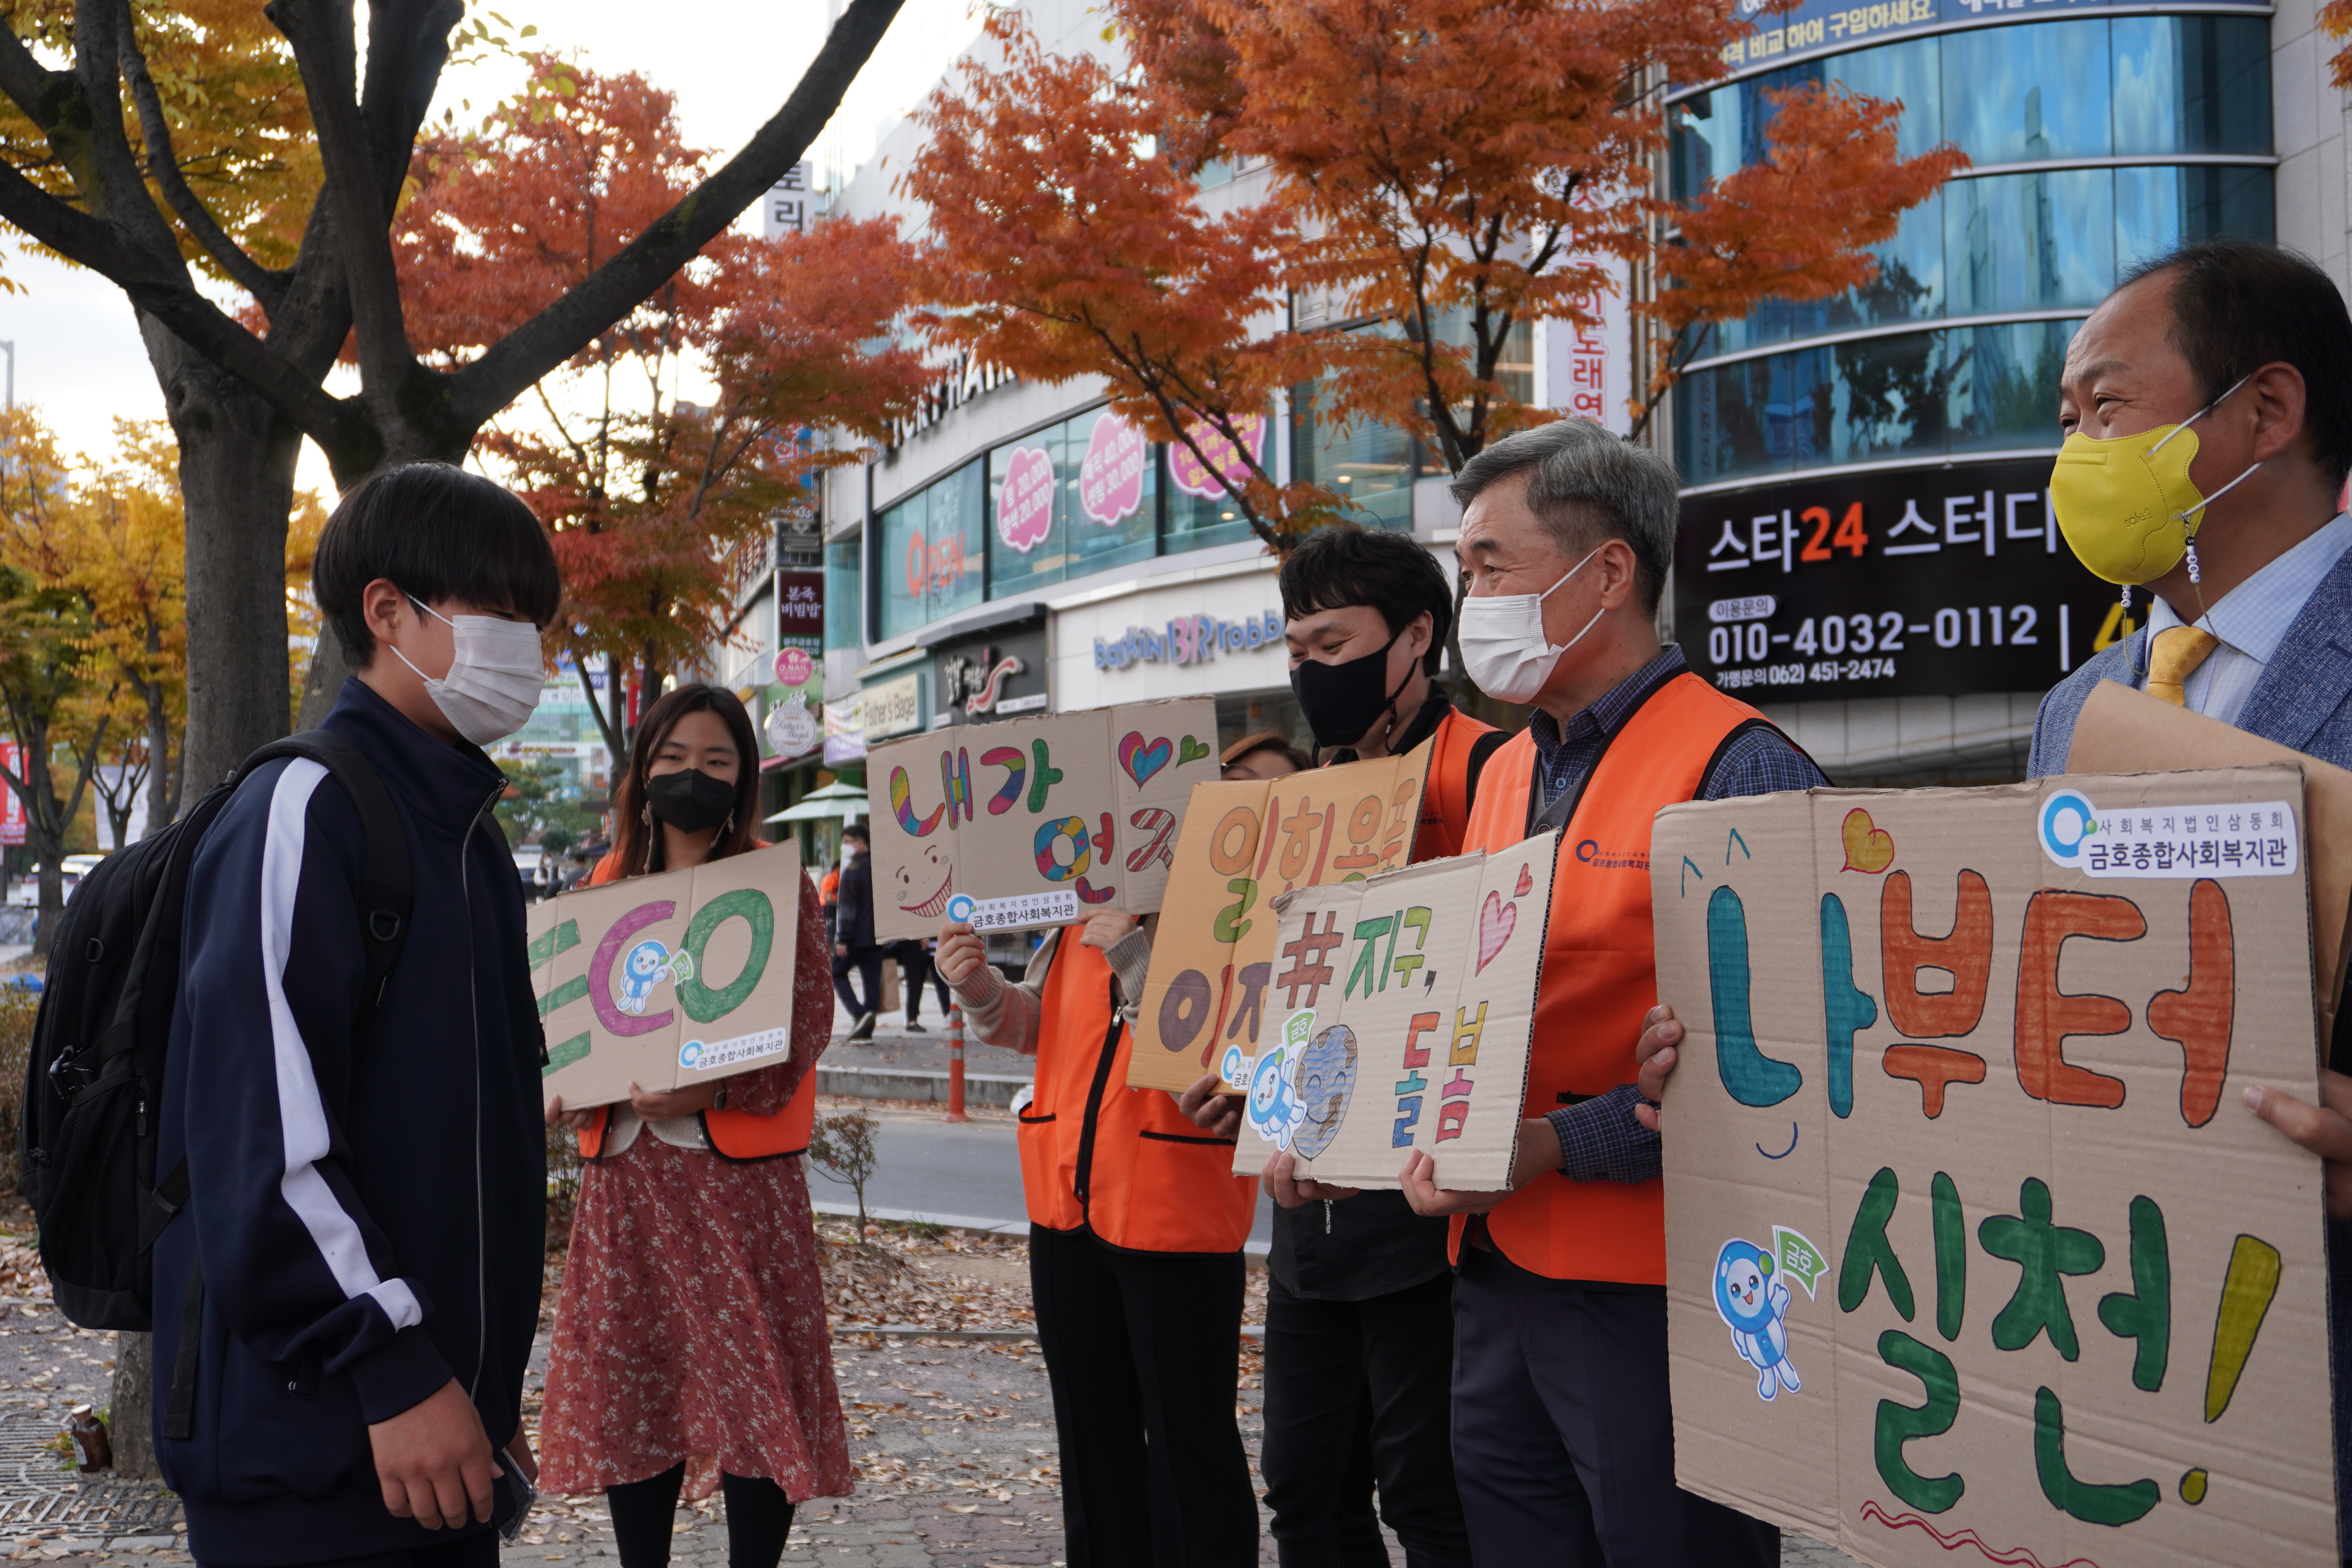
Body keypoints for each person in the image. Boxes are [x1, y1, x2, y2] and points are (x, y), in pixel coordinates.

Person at [1397, 419, 1824, 1565]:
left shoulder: (1740, 766)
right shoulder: (1507, 771)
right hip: (1494, 1275)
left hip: (1665, 1292)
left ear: (1608, 570)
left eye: (1489, 563)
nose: (1468, 591)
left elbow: (1784, 1076)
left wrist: (1554, 1143)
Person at [152, 463, 562, 1564]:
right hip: (316, 1438)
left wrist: (480, 1383)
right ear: (387, 611)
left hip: (438, 1434)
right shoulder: (308, 808)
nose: (525, 646)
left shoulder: (468, 836)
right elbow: (265, 1145)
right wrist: (392, 1365)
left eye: (537, 620)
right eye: (500, 611)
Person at [1184, 532, 1495, 1568]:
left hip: (1428, 1216)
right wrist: (1243, 1080)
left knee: (1430, 1494)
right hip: (1308, 1217)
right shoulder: (1310, 801)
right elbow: (1286, 995)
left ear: (1417, 637)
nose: (1311, 670)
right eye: (1296, 650)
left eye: (1333, 643)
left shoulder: (1494, 773)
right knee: (1306, 1493)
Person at [538, 682, 848, 1568]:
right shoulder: (594, 891)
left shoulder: (779, 886)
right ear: (640, 772)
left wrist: (711, 1094)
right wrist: (557, 1084)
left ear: (745, 775)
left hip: (740, 1185)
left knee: (755, 1386)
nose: (692, 776)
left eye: (716, 760)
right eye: (673, 759)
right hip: (627, 1181)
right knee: (635, 1385)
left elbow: (806, 1024)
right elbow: (558, 1037)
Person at [933, 893, 1261, 1566]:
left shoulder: (1233, 906)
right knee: (1092, 1455)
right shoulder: (1081, 906)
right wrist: (977, 986)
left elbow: (1228, 1077)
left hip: (1177, 1215)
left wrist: (1138, 968)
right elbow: (1037, 1023)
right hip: (1064, 1211)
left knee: (1191, 1459)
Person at [831, 824, 881, 1040]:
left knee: (837, 972)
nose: (844, 846)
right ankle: (867, 1029)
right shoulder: (880, 868)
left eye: (847, 842)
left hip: (856, 938)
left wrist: (843, 938)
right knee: (872, 982)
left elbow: (848, 907)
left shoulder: (852, 870)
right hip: (878, 937)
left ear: (859, 843)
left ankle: (860, 1014)